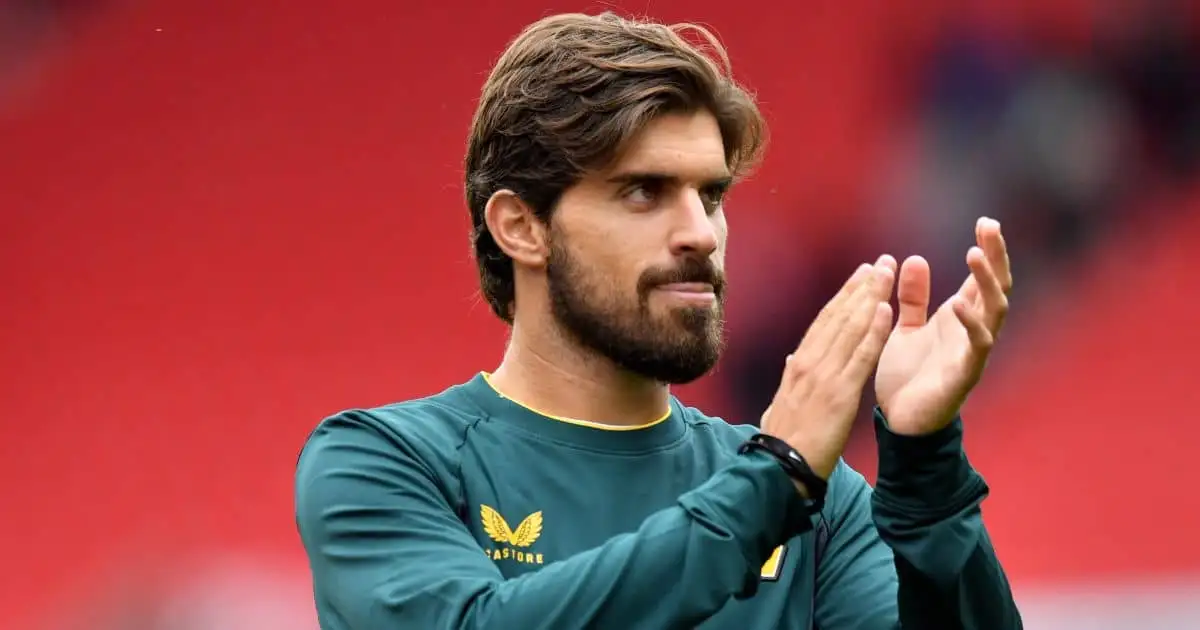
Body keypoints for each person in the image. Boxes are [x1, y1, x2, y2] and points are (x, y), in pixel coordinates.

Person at [295, 12, 1022, 630]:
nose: (700, 234)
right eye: (644, 192)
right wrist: (774, 480)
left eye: (710, 196)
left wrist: (927, 467)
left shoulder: (821, 507)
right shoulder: (382, 463)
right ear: (521, 227)